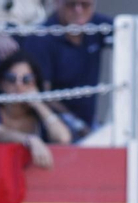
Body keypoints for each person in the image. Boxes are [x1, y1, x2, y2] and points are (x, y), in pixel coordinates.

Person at [0, 49, 71, 169]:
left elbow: (63, 138)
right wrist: (30, 140)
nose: (18, 85)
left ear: (35, 83)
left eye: (27, 79)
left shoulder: (40, 113)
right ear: (1, 83)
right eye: (11, 78)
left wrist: (39, 104)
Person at [25, 0, 110, 135]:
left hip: (89, 123)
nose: (78, 10)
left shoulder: (96, 24)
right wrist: (76, 124)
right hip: (53, 126)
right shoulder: (41, 37)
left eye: (85, 4)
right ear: (57, 3)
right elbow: (43, 94)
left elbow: (130, 31)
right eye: (71, 4)